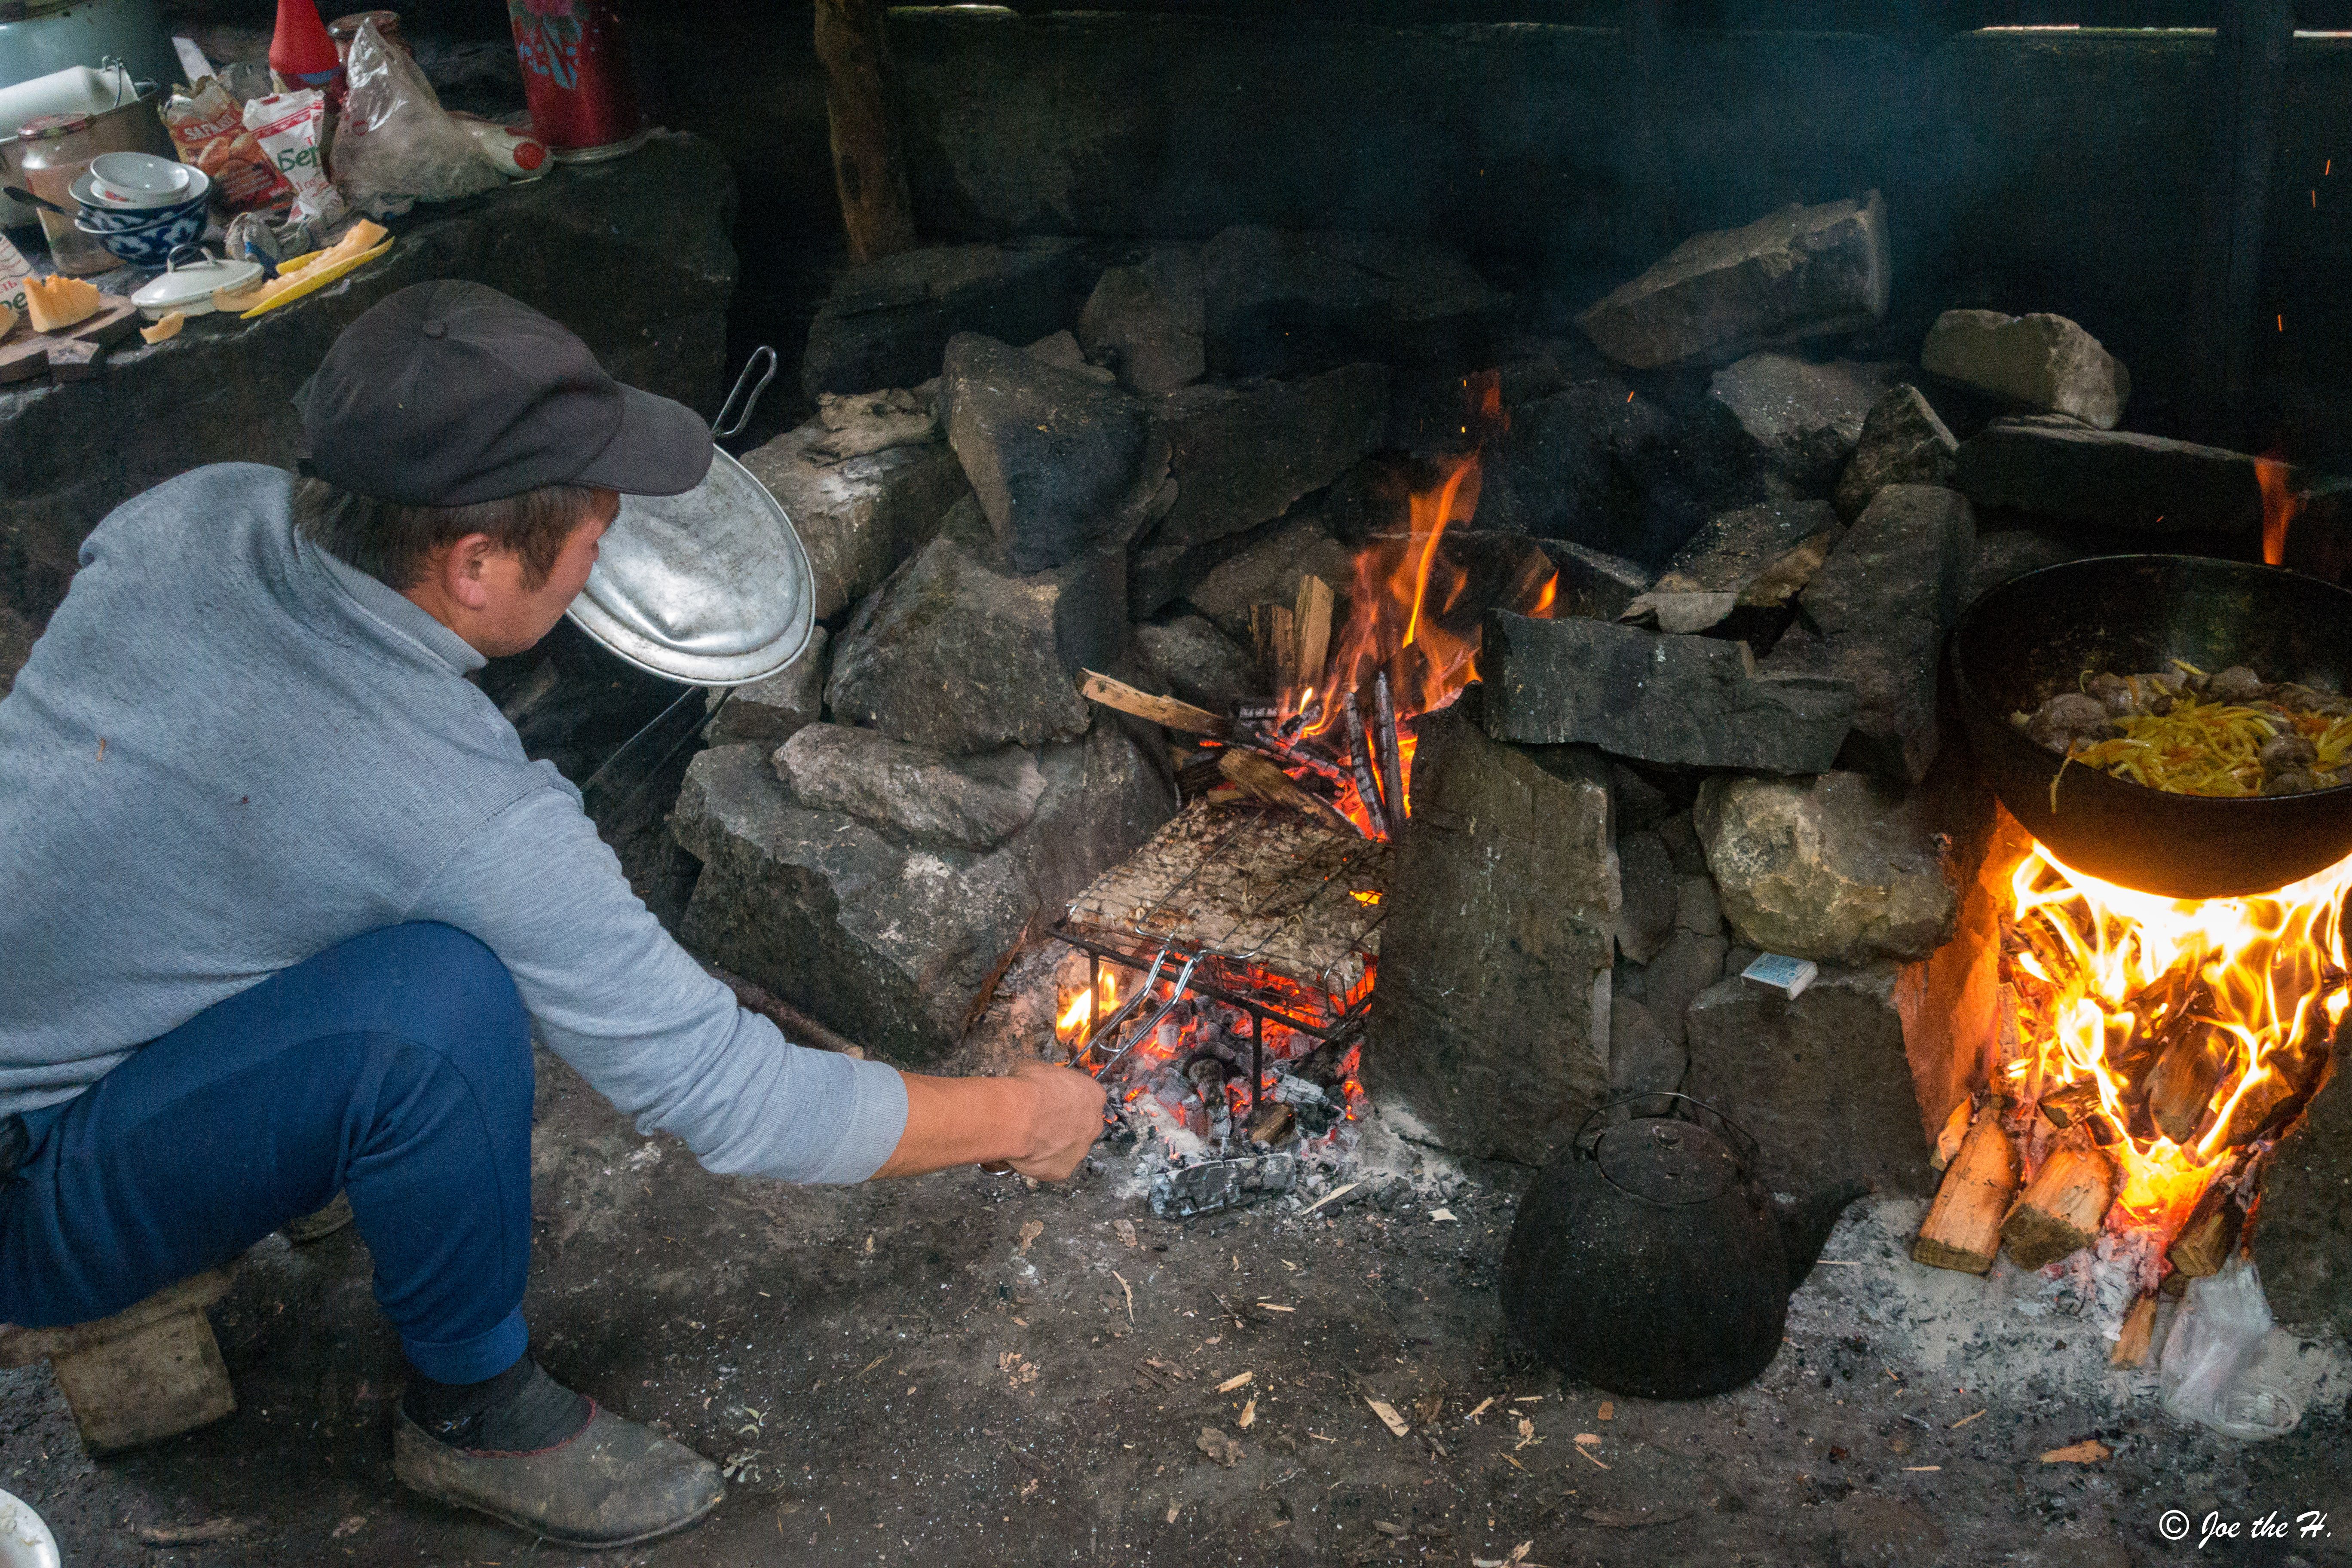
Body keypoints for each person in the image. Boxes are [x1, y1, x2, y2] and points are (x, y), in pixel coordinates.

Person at [0, 281, 1108, 1548]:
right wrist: (1023, 1117)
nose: (609, 549)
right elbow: (733, 1096)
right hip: (26, 1185)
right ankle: (472, 1411)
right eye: (597, 528)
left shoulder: (192, 511)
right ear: (474, 565)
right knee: (436, 1009)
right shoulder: (457, 806)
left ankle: (274, 1138)